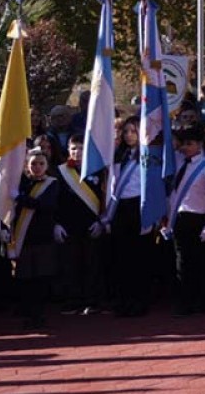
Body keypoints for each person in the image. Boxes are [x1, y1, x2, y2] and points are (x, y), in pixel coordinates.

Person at [163, 127, 205, 316]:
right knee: (181, 262)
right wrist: (168, 222)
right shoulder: (179, 163)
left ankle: (201, 301)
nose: (185, 147)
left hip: (199, 218)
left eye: (190, 144)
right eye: (184, 144)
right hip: (180, 218)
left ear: (199, 145)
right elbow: (173, 195)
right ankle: (184, 300)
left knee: (200, 262)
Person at [6, 148, 62, 331]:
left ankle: (40, 315)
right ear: (26, 166)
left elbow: (46, 205)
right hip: (24, 238)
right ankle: (27, 313)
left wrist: (20, 199)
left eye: (41, 164)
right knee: (25, 278)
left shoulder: (52, 184)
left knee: (41, 278)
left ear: (47, 166)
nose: (37, 167)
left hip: (43, 237)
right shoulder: (21, 183)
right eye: (33, 164)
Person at [55, 137, 107, 315]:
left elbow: (105, 197)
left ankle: (92, 301)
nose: (76, 152)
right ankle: (73, 301)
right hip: (69, 227)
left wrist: (101, 221)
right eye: (73, 148)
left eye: (81, 148)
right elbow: (55, 200)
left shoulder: (98, 171)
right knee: (70, 265)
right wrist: (57, 224)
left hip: (91, 226)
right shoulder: (60, 172)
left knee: (92, 264)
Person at [104, 117, 150, 317]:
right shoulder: (117, 155)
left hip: (139, 206)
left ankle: (139, 300)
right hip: (120, 207)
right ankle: (122, 299)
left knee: (139, 257)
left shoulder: (148, 155)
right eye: (126, 131)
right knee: (120, 256)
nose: (129, 135)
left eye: (133, 130)